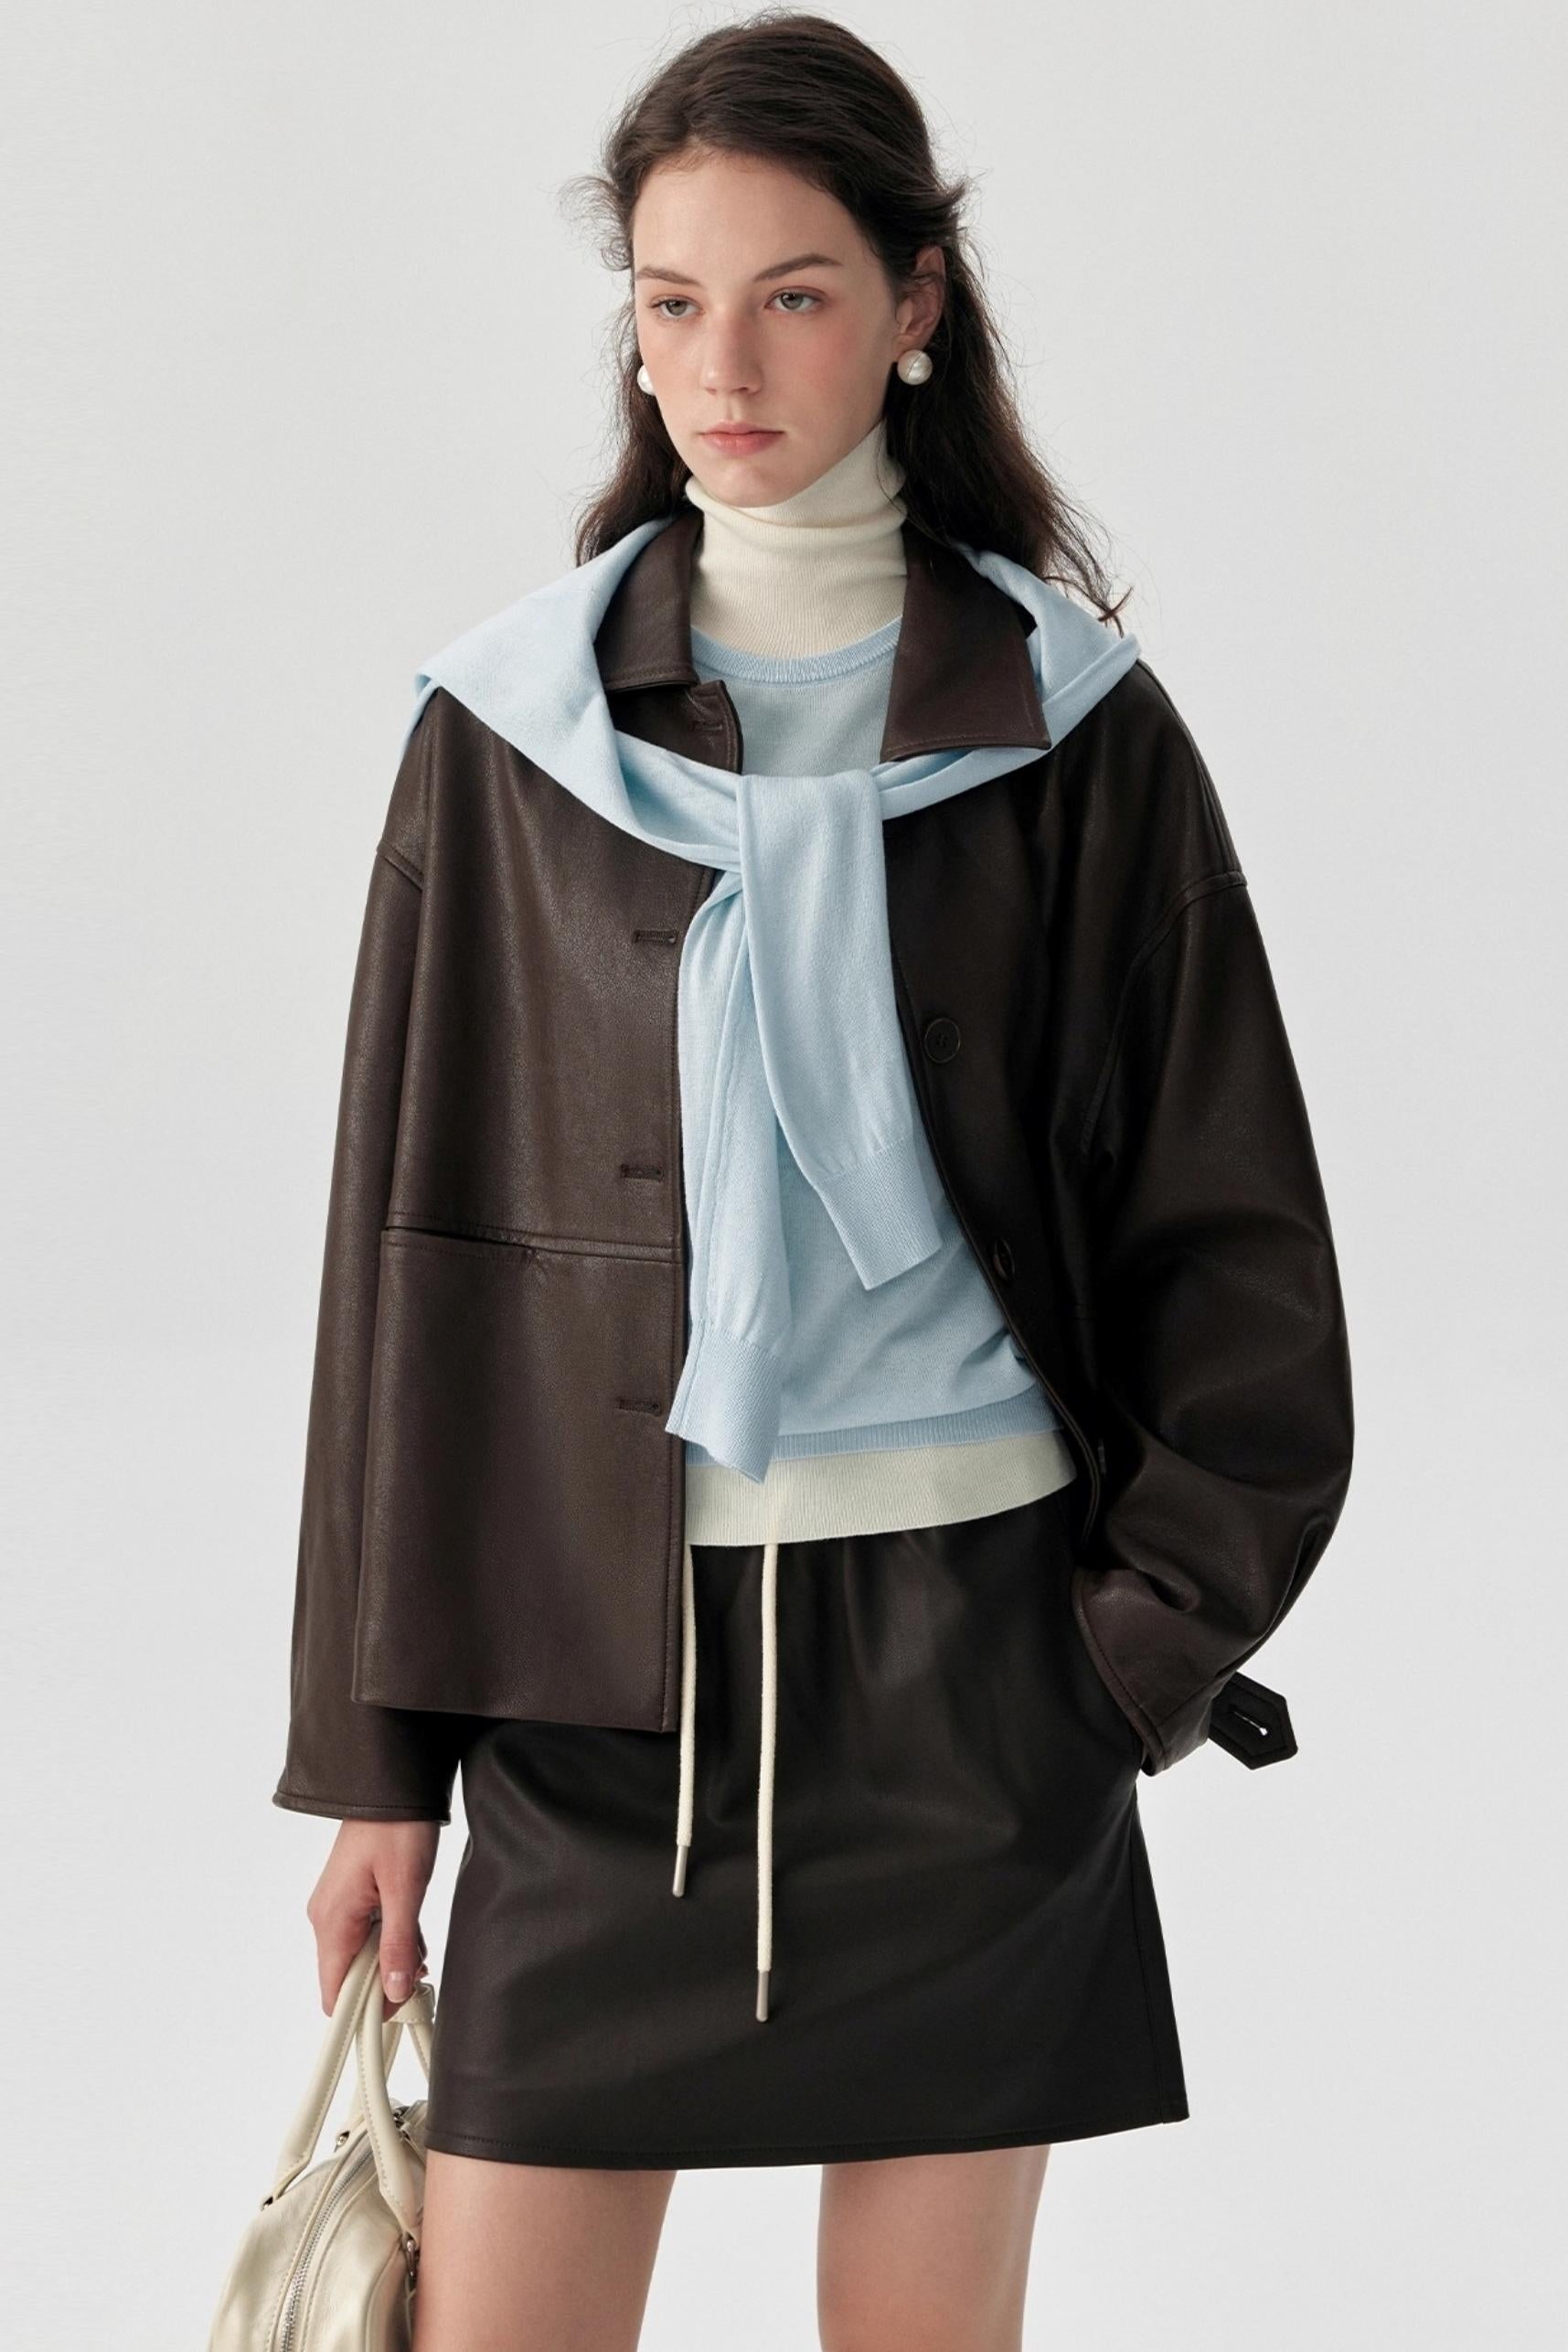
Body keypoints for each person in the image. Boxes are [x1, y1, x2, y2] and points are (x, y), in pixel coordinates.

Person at [273, 16, 1354, 2349]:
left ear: (913, 304)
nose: (723, 367)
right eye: (673, 302)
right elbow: (404, 1284)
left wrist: (1126, 1663)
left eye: (792, 295)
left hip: (978, 1675)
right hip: (590, 1675)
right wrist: (376, 1769)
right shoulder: (509, 737)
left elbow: (1235, 1243)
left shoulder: (1073, 728)